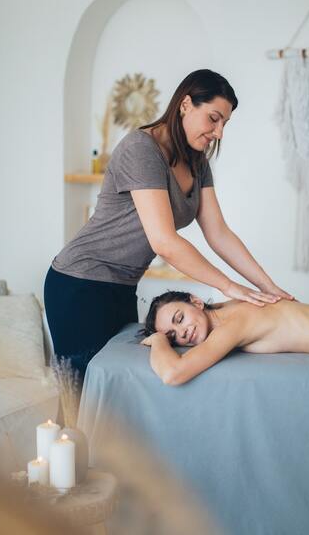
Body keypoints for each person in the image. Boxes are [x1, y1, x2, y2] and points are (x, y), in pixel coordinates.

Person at [44, 69, 293, 380]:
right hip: (79, 283)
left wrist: (268, 288)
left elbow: (219, 233)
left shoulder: (197, 162)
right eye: (214, 119)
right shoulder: (141, 149)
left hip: (122, 287)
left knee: (122, 385)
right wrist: (229, 287)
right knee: (82, 390)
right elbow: (164, 242)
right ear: (185, 104)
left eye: (225, 123)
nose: (219, 132)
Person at [140, 290, 309, 386]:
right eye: (173, 337)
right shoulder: (231, 306)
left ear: (196, 302)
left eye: (179, 319)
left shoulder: (233, 324)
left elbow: (173, 374)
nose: (182, 333)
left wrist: (159, 340)